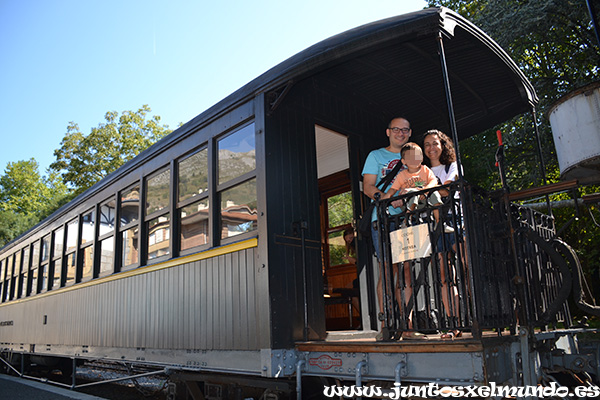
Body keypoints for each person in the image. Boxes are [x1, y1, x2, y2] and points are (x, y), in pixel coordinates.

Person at [362, 117, 424, 340]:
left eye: (405, 130)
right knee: (389, 271)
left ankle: (407, 326)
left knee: (407, 269)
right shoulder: (376, 155)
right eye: (396, 129)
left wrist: (409, 196)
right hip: (383, 219)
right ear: (388, 132)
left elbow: (421, 181)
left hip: (408, 219)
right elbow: (367, 186)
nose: (401, 133)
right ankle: (387, 325)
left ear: (409, 133)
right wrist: (387, 199)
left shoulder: (414, 155)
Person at [423, 129, 462, 340]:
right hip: (435, 225)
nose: (431, 148)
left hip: (457, 220)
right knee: (446, 276)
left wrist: (430, 191)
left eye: (434, 143)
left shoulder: (452, 166)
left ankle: (474, 319)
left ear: (443, 145)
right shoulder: (420, 170)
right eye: (427, 144)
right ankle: (453, 322)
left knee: (466, 266)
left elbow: (448, 189)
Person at [382, 142, 453, 233]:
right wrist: (385, 198)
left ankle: (440, 222)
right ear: (404, 161)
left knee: (434, 192)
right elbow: (393, 189)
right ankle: (406, 220)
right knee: (412, 192)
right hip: (408, 203)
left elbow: (433, 181)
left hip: (424, 200)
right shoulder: (402, 175)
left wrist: (425, 190)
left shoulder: (425, 170)